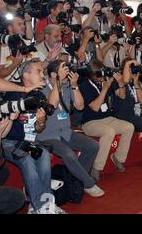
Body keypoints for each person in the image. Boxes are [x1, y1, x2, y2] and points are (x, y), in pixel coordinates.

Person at [1, 58, 66, 214]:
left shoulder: (39, 97)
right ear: (26, 74)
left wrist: (42, 121)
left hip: (29, 141)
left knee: (43, 155)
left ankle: (43, 205)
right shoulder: (13, 90)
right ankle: (40, 207)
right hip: (8, 142)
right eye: (38, 71)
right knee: (27, 160)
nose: (43, 75)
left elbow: (38, 129)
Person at [38, 60, 104, 197]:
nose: (66, 73)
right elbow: (53, 105)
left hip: (66, 132)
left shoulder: (67, 86)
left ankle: (76, 181)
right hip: (47, 135)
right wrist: (57, 81)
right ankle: (88, 183)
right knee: (68, 154)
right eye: (63, 70)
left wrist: (74, 86)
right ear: (52, 74)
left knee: (93, 146)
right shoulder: (42, 88)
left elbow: (80, 106)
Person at [79, 60, 134, 182]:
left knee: (129, 127)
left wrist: (120, 83)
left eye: (102, 73)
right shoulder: (84, 86)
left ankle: (118, 158)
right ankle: (96, 167)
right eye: (98, 75)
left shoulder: (106, 81)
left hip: (108, 118)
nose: (101, 77)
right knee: (109, 132)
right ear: (91, 75)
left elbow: (122, 96)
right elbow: (95, 107)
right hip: (90, 122)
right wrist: (104, 89)